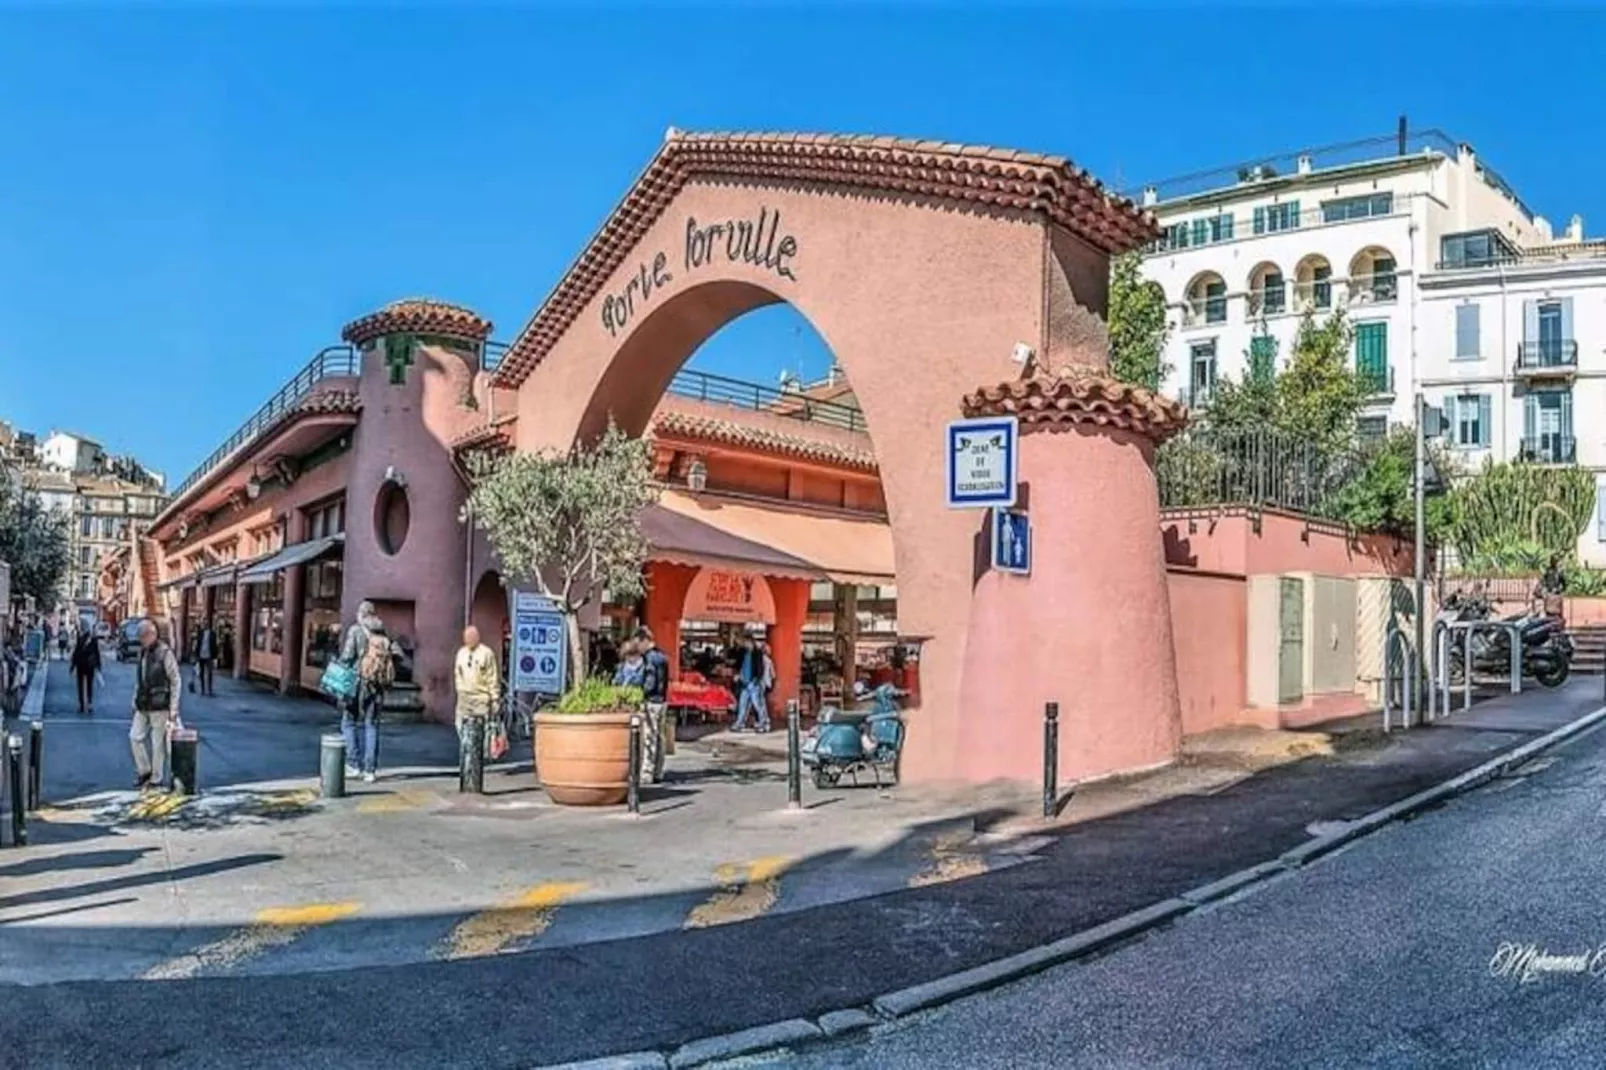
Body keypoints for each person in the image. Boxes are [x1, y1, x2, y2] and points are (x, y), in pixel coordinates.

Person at [338, 601, 393, 783]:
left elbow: (347, 657)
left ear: (361, 614)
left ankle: (353, 765)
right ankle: (370, 771)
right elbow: (397, 655)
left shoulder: (355, 631)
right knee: (372, 725)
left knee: (349, 721)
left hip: (357, 684)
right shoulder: (383, 633)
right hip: (376, 685)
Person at [130, 619, 181, 790]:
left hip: (160, 703)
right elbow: (140, 678)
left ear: (152, 634)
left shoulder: (165, 653)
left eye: (143, 637)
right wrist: (134, 698)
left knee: (157, 743)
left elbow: (175, 680)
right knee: (134, 736)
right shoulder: (143, 652)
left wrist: (173, 707)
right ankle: (144, 770)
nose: (141, 640)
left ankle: (156, 777)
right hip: (143, 702)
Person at [453, 625, 501, 778]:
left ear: (477, 637)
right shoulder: (461, 653)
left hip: (481, 698)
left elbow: (492, 677)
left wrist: (494, 698)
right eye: (466, 638)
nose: (469, 640)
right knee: (460, 726)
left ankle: (479, 757)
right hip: (464, 697)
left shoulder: (486, 653)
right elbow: (457, 673)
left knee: (483, 729)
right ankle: (468, 752)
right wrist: (460, 690)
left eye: (471, 637)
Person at [635, 627, 671, 783]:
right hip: (661, 700)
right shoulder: (662, 656)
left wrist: (640, 692)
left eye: (638, 644)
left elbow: (650, 682)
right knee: (660, 737)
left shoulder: (650, 659)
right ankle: (658, 771)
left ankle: (647, 772)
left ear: (644, 640)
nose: (637, 648)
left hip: (651, 701)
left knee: (649, 737)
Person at [731, 635, 771, 733]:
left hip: (754, 682)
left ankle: (764, 723)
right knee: (743, 704)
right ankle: (740, 723)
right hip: (745, 682)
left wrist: (757, 679)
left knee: (758, 704)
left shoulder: (757, 653)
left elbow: (760, 668)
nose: (743, 645)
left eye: (744, 643)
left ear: (750, 642)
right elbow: (740, 666)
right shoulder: (743, 653)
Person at [70, 627, 101, 714]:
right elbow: (96, 653)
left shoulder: (83, 640)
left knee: (82, 685)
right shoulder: (91, 640)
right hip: (87, 665)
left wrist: (72, 666)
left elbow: (76, 653)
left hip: (82, 664)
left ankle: (83, 704)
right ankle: (88, 703)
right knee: (88, 685)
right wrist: (98, 665)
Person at [193, 617, 219, 697]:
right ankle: (203, 689)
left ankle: (210, 689)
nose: (205, 624)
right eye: (204, 623)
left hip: (209, 655)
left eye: (206, 623)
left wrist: (215, 656)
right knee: (201, 673)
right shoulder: (200, 633)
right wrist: (195, 655)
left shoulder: (212, 633)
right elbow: (197, 644)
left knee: (210, 673)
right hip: (201, 655)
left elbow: (215, 645)